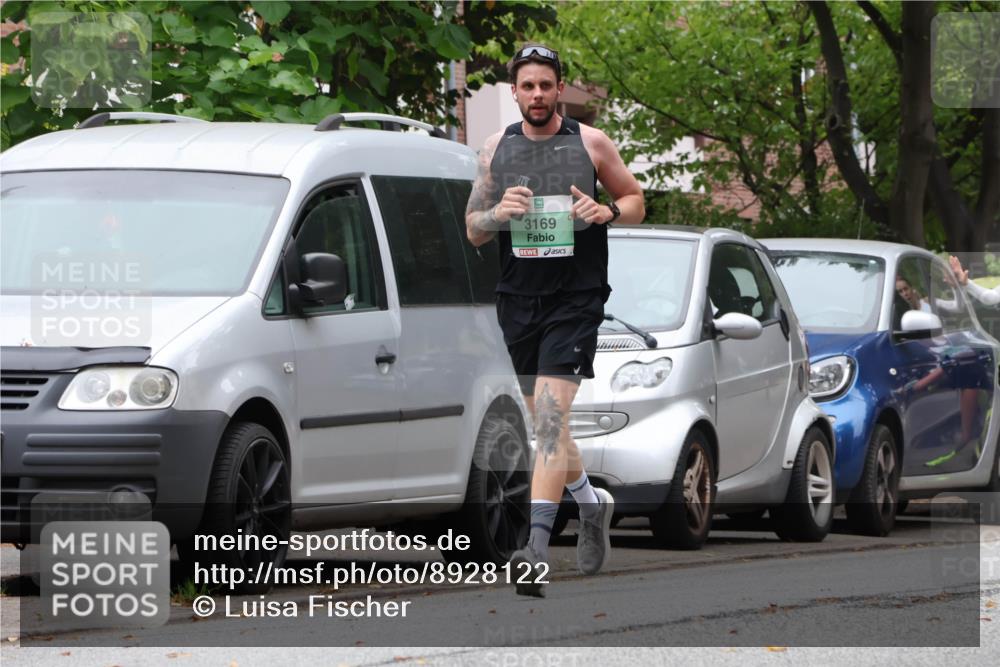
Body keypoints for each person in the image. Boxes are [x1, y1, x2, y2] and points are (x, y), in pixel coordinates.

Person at [464, 43, 645, 597]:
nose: (537, 95)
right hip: (519, 300)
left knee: (545, 418)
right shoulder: (495, 148)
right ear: (514, 93)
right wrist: (499, 213)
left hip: (576, 298)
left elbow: (636, 198)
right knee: (549, 424)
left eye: (546, 85)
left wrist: (605, 212)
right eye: (528, 86)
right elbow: (473, 227)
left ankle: (535, 548)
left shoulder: (590, 143)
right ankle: (591, 506)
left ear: (559, 88)